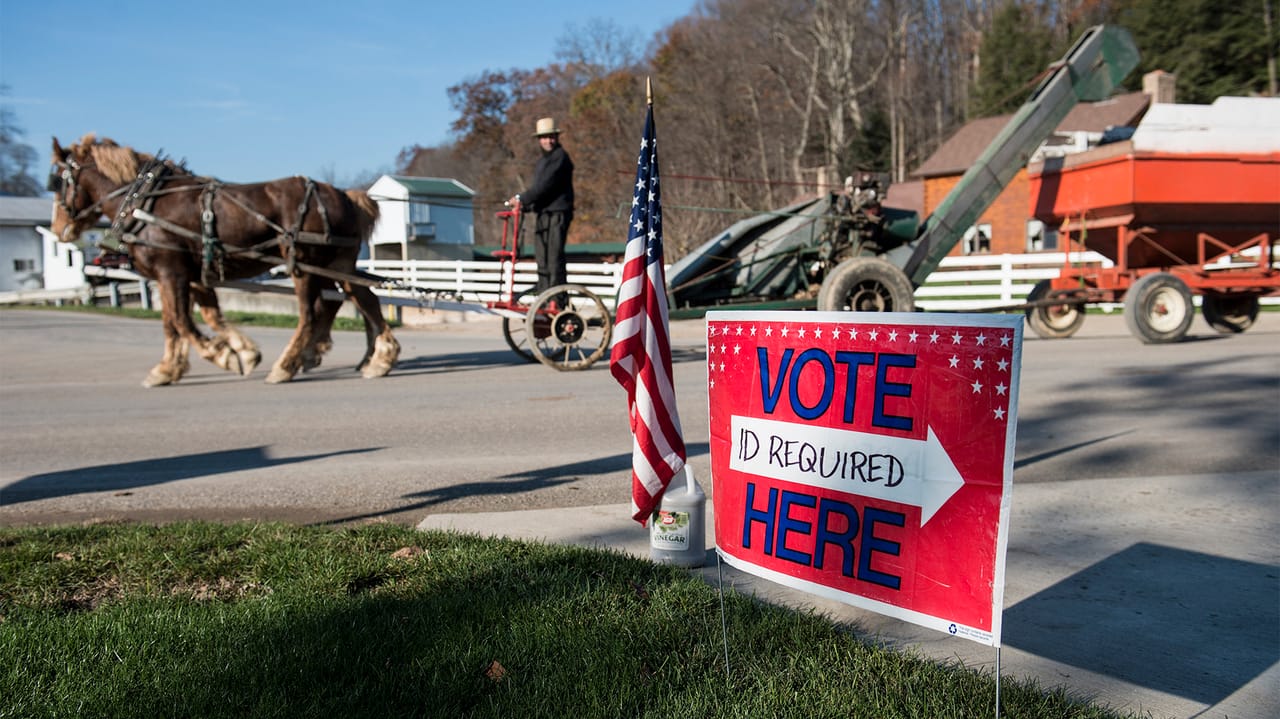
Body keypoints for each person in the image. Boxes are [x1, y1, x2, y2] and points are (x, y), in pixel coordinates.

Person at [509, 117, 574, 299]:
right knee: (542, 259)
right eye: (544, 137)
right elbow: (541, 193)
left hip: (558, 213)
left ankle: (558, 301)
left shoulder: (560, 157)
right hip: (543, 214)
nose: (548, 141)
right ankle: (545, 298)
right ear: (539, 139)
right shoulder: (541, 163)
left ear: (556, 137)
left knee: (554, 259)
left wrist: (522, 198)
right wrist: (527, 206)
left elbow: (545, 186)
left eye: (551, 137)